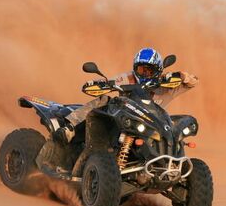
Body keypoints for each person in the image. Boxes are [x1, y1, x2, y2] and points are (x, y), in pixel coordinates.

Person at [53, 47, 198, 143]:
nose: (145, 73)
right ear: (135, 68)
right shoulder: (128, 78)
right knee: (104, 100)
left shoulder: (167, 85)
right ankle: (70, 128)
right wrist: (100, 83)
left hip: (154, 129)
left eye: (149, 70)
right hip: (125, 122)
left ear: (159, 70)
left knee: (176, 129)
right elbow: (110, 82)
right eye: (141, 70)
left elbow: (193, 82)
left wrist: (183, 76)